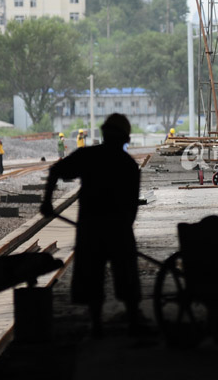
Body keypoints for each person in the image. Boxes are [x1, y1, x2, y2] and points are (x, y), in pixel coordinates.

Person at [40, 113, 144, 338]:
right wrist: (124, 227)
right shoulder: (128, 166)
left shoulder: (89, 157)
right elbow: (131, 205)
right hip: (119, 229)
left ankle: (97, 325)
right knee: (126, 276)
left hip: (92, 229)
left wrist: (47, 201)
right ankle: (134, 321)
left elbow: (56, 171)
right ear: (126, 138)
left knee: (91, 276)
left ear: (104, 134)